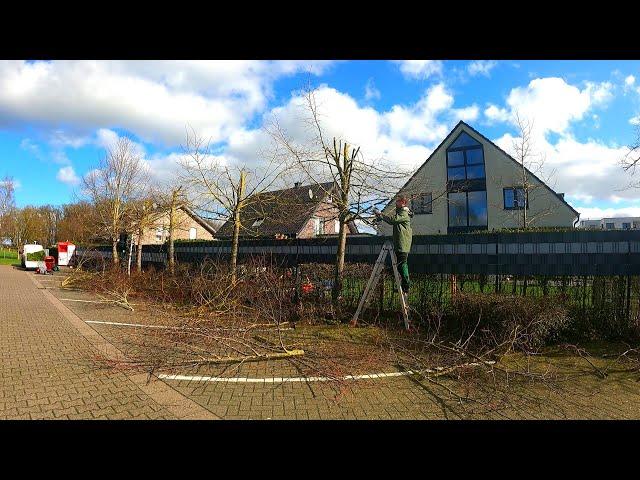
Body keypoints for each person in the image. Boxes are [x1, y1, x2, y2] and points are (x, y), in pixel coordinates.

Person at [375, 196, 413, 294]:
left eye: (397, 202)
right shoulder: (402, 212)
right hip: (401, 243)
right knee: (401, 265)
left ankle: (406, 286)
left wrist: (381, 215)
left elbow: (392, 220)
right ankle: (404, 286)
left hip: (403, 243)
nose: (396, 203)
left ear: (403, 202)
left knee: (401, 265)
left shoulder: (404, 213)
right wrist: (380, 216)